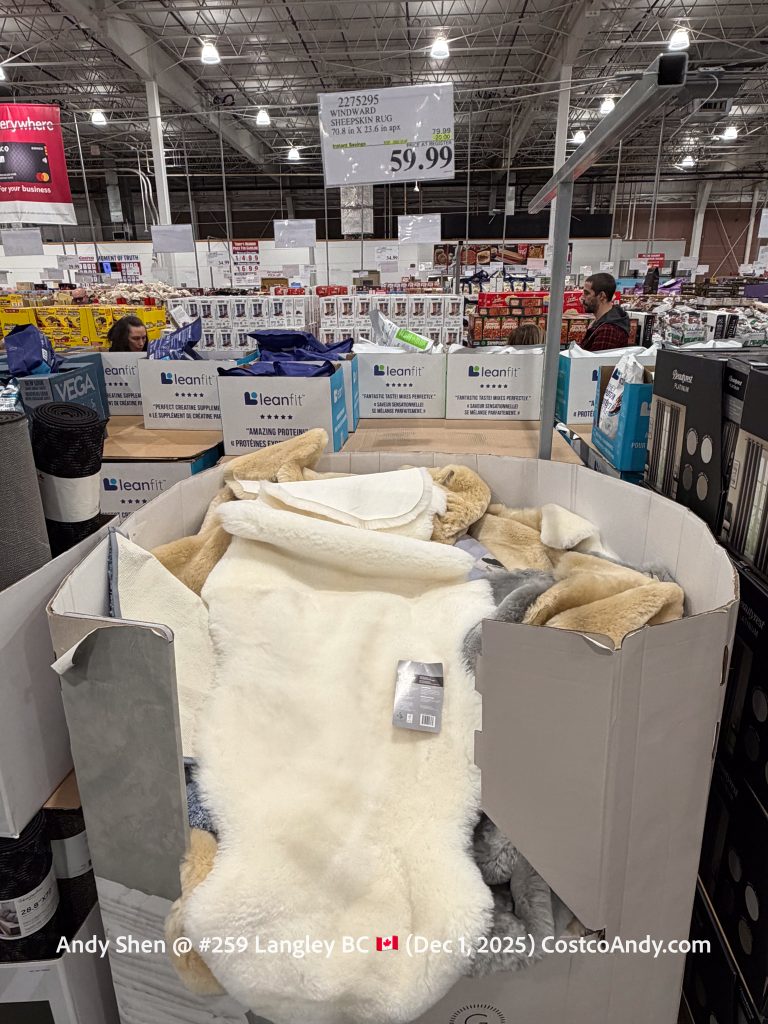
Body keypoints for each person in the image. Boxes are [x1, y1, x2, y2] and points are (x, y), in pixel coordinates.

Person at [579, 273, 630, 351]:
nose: (582, 298)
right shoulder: (602, 322)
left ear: (601, 296)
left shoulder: (608, 330)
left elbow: (595, 358)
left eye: (587, 293)